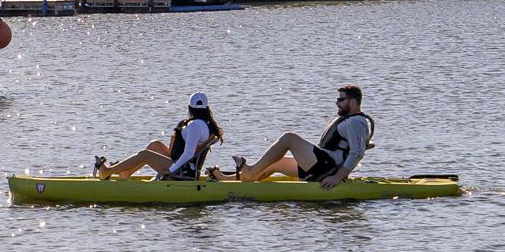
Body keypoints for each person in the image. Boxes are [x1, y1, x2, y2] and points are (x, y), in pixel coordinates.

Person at [231, 85, 375, 188]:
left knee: (289, 138)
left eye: (341, 99)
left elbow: (356, 153)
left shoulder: (356, 122)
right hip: (323, 164)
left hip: (329, 169)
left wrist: (337, 178)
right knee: (274, 163)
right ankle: (234, 179)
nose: (336, 103)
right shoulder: (349, 120)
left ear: (353, 101)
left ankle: (250, 173)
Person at [95, 93, 225, 180]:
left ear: (190, 108)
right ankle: (127, 173)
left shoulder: (195, 126)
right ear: (206, 109)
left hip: (181, 170)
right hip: (182, 165)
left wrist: (172, 170)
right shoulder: (205, 124)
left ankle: (108, 171)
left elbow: (188, 153)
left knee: (144, 154)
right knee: (154, 145)